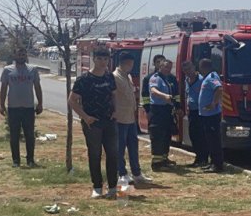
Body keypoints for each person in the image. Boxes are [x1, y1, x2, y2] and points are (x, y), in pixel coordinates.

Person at [69, 47, 119, 199]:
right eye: (100, 59)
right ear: (94, 59)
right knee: (95, 154)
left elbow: (114, 95)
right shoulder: (84, 80)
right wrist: (85, 117)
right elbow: (72, 101)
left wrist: (116, 110)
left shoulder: (109, 77)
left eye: (106, 59)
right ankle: (97, 187)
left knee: (113, 154)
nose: (103, 62)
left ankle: (112, 187)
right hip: (93, 123)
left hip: (109, 121)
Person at [0, 47, 43, 167]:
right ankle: (16, 161)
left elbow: (37, 87)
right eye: (19, 54)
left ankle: (30, 160)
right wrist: (2, 105)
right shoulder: (8, 70)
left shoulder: (32, 70)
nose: (21, 56)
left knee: (29, 134)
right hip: (13, 108)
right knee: (14, 135)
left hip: (28, 108)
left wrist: (40, 103)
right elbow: (3, 88)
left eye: (23, 54)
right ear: (15, 55)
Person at [113, 52, 152, 185]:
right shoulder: (115, 77)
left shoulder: (127, 76)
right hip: (120, 118)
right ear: (122, 63)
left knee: (133, 147)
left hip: (130, 117)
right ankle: (122, 173)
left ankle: (137, 173)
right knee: (120, 147)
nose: (131, 66)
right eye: (129, 64)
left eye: (132, 64)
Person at [147, 58, 178, 171]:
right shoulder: (155, 78)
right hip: (158, 110)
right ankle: (157, 164)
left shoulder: (168, 79)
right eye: (166, 67)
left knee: (166, 136)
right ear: (160, 67)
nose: (168, 69)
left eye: (170, 67)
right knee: (158, 136)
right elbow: (153, 90)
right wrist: (164, 96)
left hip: (167, 110)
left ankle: (164, 159)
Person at [198, 58, 224, 173]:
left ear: (204, 67)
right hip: (206, 115)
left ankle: (217, 165)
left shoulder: (212, 76)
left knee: (214, 140)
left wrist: (214, 103)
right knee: (209, 140)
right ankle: (212, 162)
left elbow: (219, 89)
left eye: (200, 67)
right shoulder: (206, 78)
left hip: (212, 115)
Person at [182, 60, 208, 168]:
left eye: (189, 69)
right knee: (193, 135)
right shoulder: (187, 80)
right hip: (191, 112)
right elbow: (187, 94)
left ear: (194, 67)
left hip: (201, 112)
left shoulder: (202, 80)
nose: (188, 72)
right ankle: (198, 158)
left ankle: (204, 159)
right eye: (185, 70)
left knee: (202, 136)